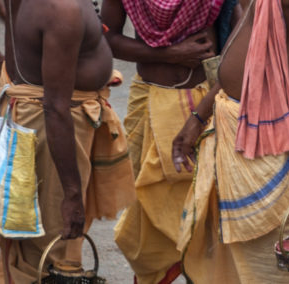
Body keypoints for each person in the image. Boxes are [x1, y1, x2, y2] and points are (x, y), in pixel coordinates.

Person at [172, 0, 289, 283]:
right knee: (230, 267)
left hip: (275, 143)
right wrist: (199, 116)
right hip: (236, 131)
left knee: (272, 269)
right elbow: (251, 53)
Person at [0, 0, 136, 283]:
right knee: (50, 250)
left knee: (38, 242)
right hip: (51, 128)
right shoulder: (61, 9)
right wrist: (72, 195)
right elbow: (55, 107)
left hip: (44, 117)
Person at [101, 0, 239, 283]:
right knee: (148, 213)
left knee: (208, 222)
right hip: (149, 101)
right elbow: (107, 36)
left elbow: (243, 48)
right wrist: (171, 53)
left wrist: (201, 116)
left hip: (207, 104)